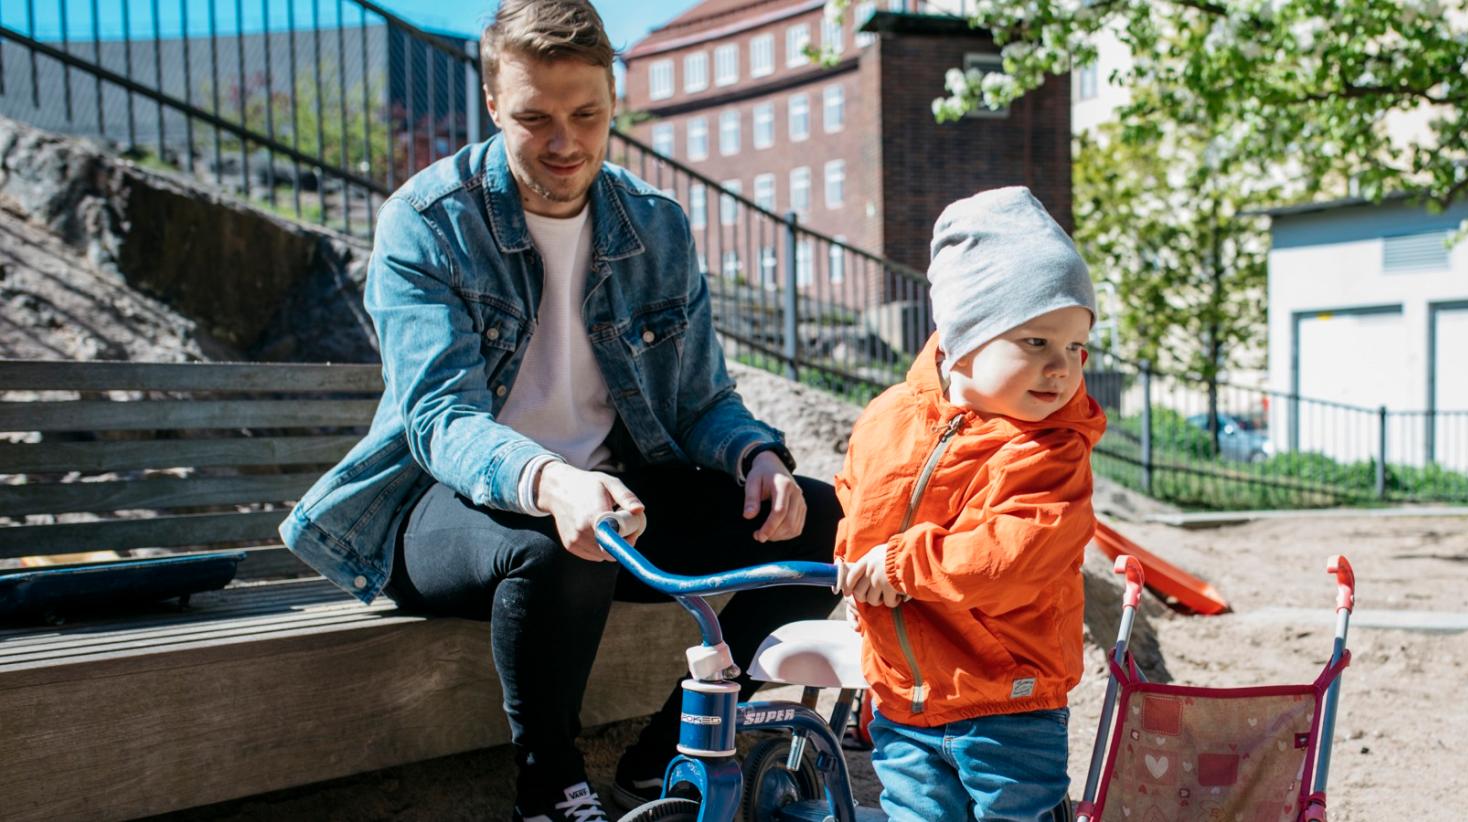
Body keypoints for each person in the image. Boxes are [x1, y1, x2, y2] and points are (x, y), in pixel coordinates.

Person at [276, 2, 838, 817]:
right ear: (494, 103)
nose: (565, 143)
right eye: (535, 117)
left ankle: (669, 756)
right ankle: (549, 787)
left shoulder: (654, 225)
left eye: (587, 115)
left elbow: (701, 402)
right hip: (449, 514)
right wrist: (548, 479)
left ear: (616, 102)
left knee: (818, 518)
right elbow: (439, 420)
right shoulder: (428, 223)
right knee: (565, 538)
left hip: (616, 500)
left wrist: (755, 457)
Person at [833, 187, 1107, 821]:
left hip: (1009, 700)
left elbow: (1012, 557)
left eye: (1075, 347)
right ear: (962, 339)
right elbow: (856, 499)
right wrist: (853, 572)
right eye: (1036, 342)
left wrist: (899, 566)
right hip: (904, 696)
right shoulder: (887, 420)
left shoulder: (1051, 450)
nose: (1061, 368)